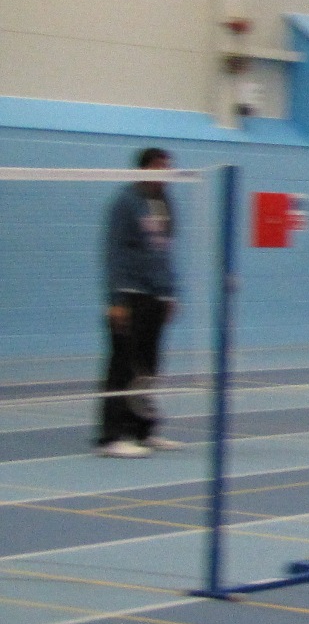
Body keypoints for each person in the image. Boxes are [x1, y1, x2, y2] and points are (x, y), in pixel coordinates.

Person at [99, 147, 181, 457]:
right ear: (145, 169)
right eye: (161, 167)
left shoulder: (165, 203)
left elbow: (165, 251)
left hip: (155, 296)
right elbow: (115, 253)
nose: (167, 173)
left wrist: (170, 292)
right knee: (122, 366)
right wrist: (116, 299)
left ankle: (143, 431)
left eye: (169, 168)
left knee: (148, 368)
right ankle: (111, 437)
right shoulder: (125, 202)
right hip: (130, 295)